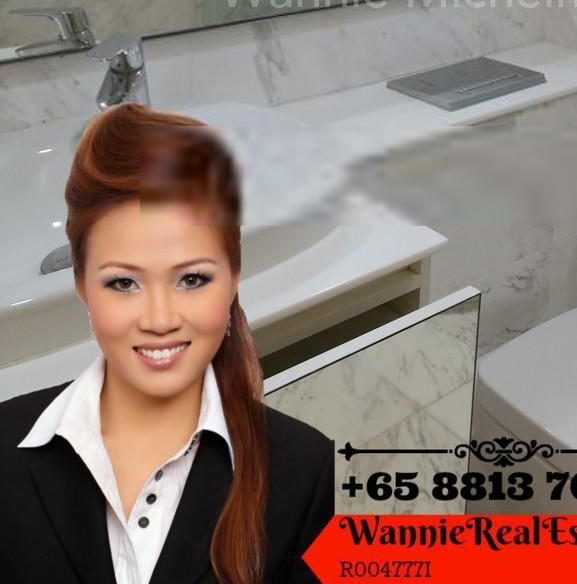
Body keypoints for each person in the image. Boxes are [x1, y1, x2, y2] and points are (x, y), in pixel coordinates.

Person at [0, 103, 334, 584]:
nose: (160, 320)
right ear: (81, 285)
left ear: (234, 278)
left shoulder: (305, 470)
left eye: (192, 279)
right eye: (123, 283)